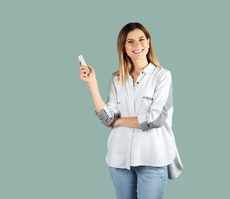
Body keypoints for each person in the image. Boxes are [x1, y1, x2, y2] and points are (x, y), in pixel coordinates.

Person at [78, 22, 183, 199]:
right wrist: (92, 84)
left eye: (141, 39)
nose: (137, 45)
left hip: (153, 160)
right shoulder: (116, 80)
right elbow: (106, 118)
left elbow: (155, 120)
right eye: (130, 41)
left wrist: (118, 121)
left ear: (149, 43)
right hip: (119, 161)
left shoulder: (162, 76)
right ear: (123, 48)